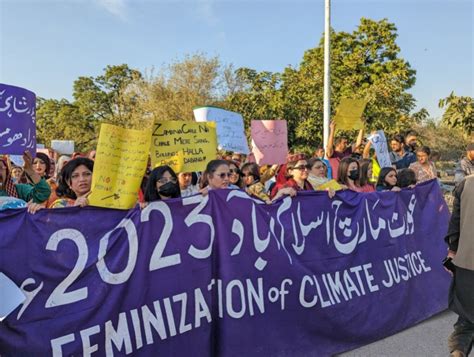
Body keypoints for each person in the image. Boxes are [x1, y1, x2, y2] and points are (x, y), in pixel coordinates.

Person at [444, 175, 474, 357]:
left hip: (467, 262)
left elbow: (455, 222)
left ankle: (458, 352)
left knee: (467, 317)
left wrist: (452, 251)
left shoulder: (466, 183)